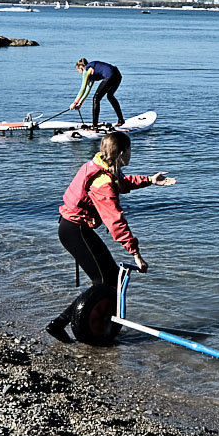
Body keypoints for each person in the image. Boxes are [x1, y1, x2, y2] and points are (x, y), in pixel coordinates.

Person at [46, 132, 176, 342]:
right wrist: (135, 253)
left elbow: (122, 182)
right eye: (130, 150)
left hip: (72, 228)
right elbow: (115, 221)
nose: (131, 154)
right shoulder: (102, 182)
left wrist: (150, 180)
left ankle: (66, 324)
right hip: (74, 230)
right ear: (123, 153)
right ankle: (63, 324)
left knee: (111, 277)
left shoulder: (99, 165)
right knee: (103, 281)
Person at [71, 57, 124, 128]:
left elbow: (82, 89)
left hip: (110, 75)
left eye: (78, 71)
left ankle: (95, 125)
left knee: (96, 98)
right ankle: (121, 120)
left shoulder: (86, 71)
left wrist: (74, 103)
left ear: (81, 68)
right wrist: (80, 103)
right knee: (110, 96)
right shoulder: (91, 72)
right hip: (117, 75)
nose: (79, 73)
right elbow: (87, 90)